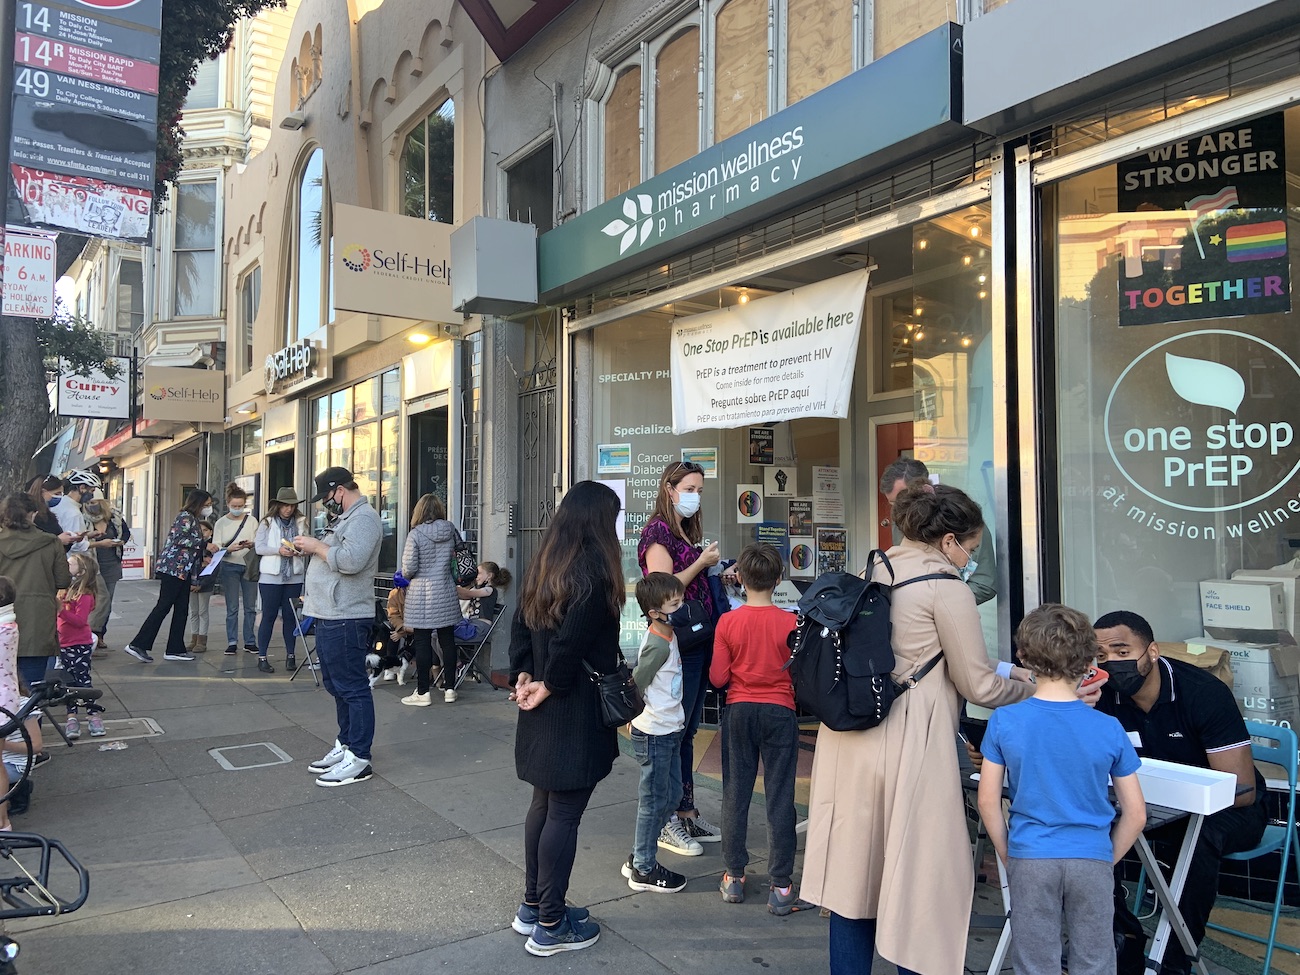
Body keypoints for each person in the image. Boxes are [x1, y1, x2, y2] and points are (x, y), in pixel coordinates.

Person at [802, 479, 1034, 975]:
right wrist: (1035, 688)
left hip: (851, 737)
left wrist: (1008, 669)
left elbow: (926, 650)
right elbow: (977, 684)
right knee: (925, 874)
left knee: (852, 878)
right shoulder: (947, 588)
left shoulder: (874, 567)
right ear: (949, 541)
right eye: (970, 548)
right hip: (912, 737)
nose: (969, 559)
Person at [1095, 609, 1268, 975]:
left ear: (1153, 652)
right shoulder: (1102, 695)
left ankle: (1171, 962)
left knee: (1200, 839)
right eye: (1101, 656)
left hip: (1227, 810)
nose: (1111, 663)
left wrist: (1179, 800)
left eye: (1122, 652)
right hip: (1150, 804)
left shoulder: (1203, 694)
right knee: (1088, 825)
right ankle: (1122, 943)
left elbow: (1243, 790)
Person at [977, 604, 1146, 975]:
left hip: (1031, 855)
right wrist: (1105, 857)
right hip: (1092, 858)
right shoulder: (1108, 728)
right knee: (1095, 961)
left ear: (1023, 656)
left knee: (1035, 963)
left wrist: (1009, 854)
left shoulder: (1006, 720)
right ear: (1089, 659)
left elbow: (988, 800)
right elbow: (1136, 814)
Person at [508, 480, 622, 956]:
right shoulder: (593, 568)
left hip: (541, 701)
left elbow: (520, 622)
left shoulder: (544, 560)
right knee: (564, 813)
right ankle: (551, 924)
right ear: (598, 521)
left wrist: (525, 675)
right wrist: (548, 683)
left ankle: (535, 905)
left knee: (544, 805)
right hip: (572, 707)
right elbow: (573, 640)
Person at [710, 543, 813, 916]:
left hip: (739, 710)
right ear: (779, 579)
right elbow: (801, 679)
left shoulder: (727, 623)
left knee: (735, 793)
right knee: (779, 797)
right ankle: (781, 886)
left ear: (739, 578)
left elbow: (718, 677)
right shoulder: (792, 623)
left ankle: (734, 876)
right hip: (780, 711)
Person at [638, 460, 723, 848]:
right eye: (690, 489)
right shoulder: (658, 532)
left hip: (699, 638)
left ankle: (686, 811)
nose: (695, 496)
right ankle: (668, 817)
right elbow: (663, 589)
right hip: (679, 642)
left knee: (687, 730)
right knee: (674, 731)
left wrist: (718, 571)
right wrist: (701, 563)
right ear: (669, 489)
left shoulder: (685, 531)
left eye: (700, 491)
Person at [297, 467, 383, 787]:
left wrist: (316, 547)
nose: (324, 505)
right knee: (336, 685)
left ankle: (359, 757)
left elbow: (350, 561)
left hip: (345, 614)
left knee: (351, 687)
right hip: (330, 613)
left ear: (340, 491)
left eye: (326, 498)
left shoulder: (364, 518)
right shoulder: (346, 518)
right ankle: (347, 744)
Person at [621, 571, 690, 894]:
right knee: (653, 800)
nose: (682, 607)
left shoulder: (668, 635)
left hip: (669, 729)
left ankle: (640, 851)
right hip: (655, 733)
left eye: (681, 600)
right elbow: (638, 681)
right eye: (674, 603)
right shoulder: (658, 645)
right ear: (654, 613)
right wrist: (633, 716)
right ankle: (644, 867)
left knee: (672, 796)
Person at [880, 457, 997, 605]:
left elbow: (984, 583)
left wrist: (940, 603)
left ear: (924, 487)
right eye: (893, 503)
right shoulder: (900, 520)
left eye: (903, 499)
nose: (900, 508)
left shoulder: (962, 519)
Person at [125, 489, 216, 664]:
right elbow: (178, 539)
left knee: (181, 609)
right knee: (164, 606)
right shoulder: (185, 517)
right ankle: (138, 643)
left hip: (184, 570)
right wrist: (204, 544)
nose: (209, 508)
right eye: (207, 505)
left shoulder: (193, 519)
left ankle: (175, 648)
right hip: (174, 569)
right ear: (198, 503)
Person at [0, 494, 72, 688]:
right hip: (37, 619)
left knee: (4, 689)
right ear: (33, 514)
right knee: (34, 690)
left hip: (3, 618)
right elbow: (63, 579)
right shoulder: (50, 542)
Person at [400, 494, 462, 706]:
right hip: (445, 590)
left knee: (422, 641)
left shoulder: (415, 535)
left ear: (419, 511)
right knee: (448, 641)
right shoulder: (451, 530)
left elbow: (409, 569)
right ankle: (450, 689)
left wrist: (405, 575)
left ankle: (423, 692)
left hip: (422, 595)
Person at [253, 488, 309, 673]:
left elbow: (307, 546)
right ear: (277, 505)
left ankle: (291, 656)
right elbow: (259, 547)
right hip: (271, 576)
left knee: (290, 617)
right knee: (268, 616)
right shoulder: (267, 523)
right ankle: (262, 657)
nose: (288, 509)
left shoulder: (301, 522)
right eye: (285, 505)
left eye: (292, 505)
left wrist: (298, 551)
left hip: (294, 575)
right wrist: (278, 550)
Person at [58, 553, 107, 740]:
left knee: (82, 681)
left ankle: (93, 715)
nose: (66, 565)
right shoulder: (65, 590)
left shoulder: (85, 595)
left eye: (70, 564)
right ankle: (71, 716)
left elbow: (79, 621)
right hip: (64, 643)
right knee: (69, 683)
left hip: (78, 644)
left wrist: (60, 610)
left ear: (82, 571)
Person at [213, 483, 259, 655]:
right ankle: (232, 641)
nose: (238, 509)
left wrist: (251, 544)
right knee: (232, 607)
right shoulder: (221, 523)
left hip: (249, 565)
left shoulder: (252, 521)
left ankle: (250, 641)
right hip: (230, 565)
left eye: (240, 506)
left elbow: (258, 542)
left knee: (250, 606)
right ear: (228, 504)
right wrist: (228, 548)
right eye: (234, 506)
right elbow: (216, 546)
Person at [82, 498, 129, 652]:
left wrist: (119, 542)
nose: (92, 505)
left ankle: (99, 634)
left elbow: (125, 534)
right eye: (89, 503)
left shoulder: (114, 519)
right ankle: (89, 635)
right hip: (92, 564)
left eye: (95, 502)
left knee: (107, 602)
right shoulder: (82, 519)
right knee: (97, 601)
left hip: (111, 564)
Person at [456, 561, 512, 640]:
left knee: (444, 633)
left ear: (489, 575)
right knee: (438, 632)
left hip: (479, 628)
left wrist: (452, 586)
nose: (476, 577)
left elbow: (468, 594)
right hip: (470, 624)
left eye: (479, 573)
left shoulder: (489, 590)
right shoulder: (479, 589)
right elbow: (464, 595)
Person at [186, 522, 217, 653]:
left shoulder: (213, 547)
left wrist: (202, 584)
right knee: (193, 612)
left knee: (203, 612)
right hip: (192, 582)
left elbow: (214, 569)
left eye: (205, 530)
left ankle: (202, 640)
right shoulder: (194, 545)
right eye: (200, 530)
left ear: (210, 532)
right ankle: (193, 638)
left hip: (205, 584)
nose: (202, 533)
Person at [56, 471, 99, 555]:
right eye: (92, 491)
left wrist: (88, 535)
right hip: (74, 560)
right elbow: (76, 545)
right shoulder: (73, 513)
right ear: (82, 488)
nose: (92, 495)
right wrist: (102, 544)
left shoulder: (61, 504)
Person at [26, 476, 74, 547]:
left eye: (61, 494)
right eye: (57, 493)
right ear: (43, 492)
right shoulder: (38, 516)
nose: (60, 497)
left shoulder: (46, 514)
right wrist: (58, 540)